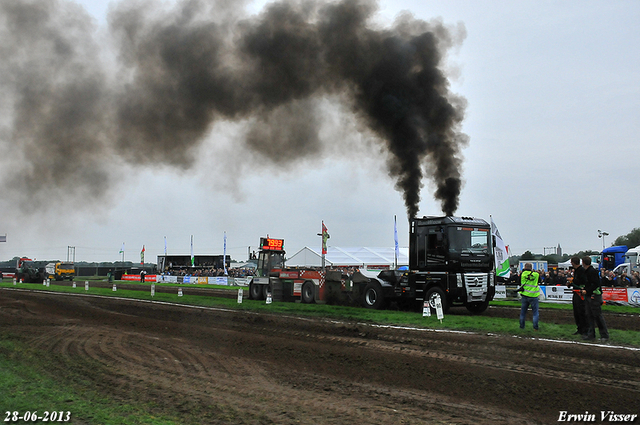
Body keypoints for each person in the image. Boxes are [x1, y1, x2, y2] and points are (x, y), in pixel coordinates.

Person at [582, 257, 609, 341]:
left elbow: (595, 284)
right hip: (590, 295)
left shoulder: (591, 272)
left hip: (595, 295)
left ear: (583, 263)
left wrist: (587, 290)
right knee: (589, 315)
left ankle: (604, 335)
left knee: (597, 316)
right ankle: (591, 335)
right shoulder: (588, 271)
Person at [567, 257, 587, 336]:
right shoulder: (577, 271)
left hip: (580, 293)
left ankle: (584, 329)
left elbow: (581, 281)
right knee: (576, 312)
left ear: (573, 263)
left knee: (581, 311)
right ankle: (579, 329)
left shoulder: (581, 270)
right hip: (576, 292)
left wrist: (572, 281)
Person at [518, 263, 540, 331]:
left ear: (525, 267)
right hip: (533, 295)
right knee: (535, 313)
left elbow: (519, 282)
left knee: (523, 312)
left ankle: (522, 326)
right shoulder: (536, 274)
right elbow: (539, 281)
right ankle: (535, 327)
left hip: (525, 295)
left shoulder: (523, 274)